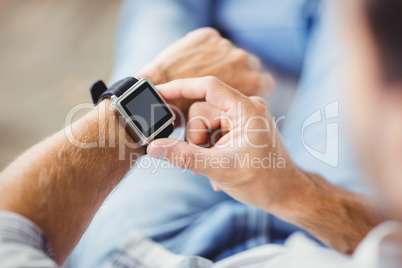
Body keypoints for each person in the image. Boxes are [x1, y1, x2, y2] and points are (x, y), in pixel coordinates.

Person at [1, 0, 401, 267]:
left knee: (161, 10)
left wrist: (154, 85)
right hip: (352, 237)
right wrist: (302, 195)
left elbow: (11, 228)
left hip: (142, 251)